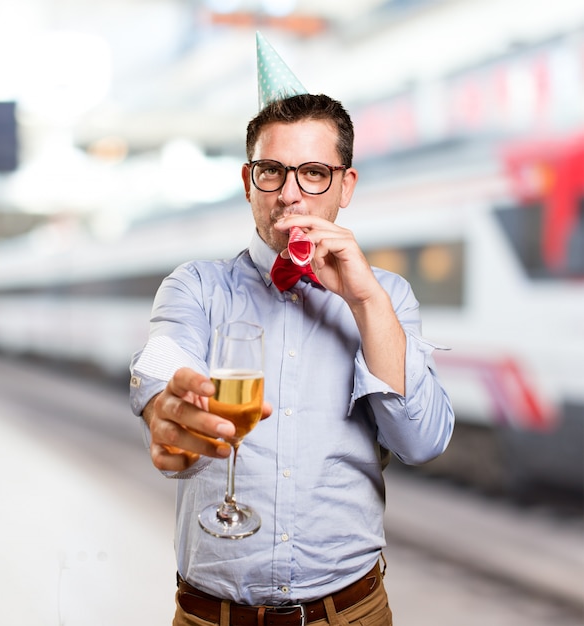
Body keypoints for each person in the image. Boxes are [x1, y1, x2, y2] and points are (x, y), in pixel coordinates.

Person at [130, 32, 454, 626]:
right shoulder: (196, 286)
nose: (290, 196)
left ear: (345, 186)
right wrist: (165, 403)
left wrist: (364, 301)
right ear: (248, 180)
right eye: (272, 172)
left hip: (352, 613)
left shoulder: (389, 297)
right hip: (210, 617)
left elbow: (422, 441)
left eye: (313, 173)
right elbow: (161, 357)